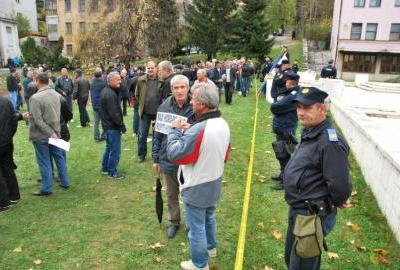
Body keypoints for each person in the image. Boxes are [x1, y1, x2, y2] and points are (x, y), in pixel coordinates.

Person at [283, 87, 352, 270]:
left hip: (312, 214)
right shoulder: (311, 131)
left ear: (323, 109)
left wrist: (339, 199)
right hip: (299, 210)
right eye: (298, 107)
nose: (300, 112)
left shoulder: (329, 141)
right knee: (292, 259)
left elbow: (340, 183)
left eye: (306, 107)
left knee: (303, 265)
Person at [167, 84, 231, 270]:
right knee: (209, 216)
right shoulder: (222, 123)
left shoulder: (200, 128)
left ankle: (199, 264)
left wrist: (175, 131)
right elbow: (225, 153)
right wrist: (192, 131)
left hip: (197, 184)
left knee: (196, 227)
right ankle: (211, 248)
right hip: (215, 179)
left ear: (202, 104)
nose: (191, 101)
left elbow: (175, 154)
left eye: (194, 99)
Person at [152, 75, 195, 239]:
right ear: (171, 90)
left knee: (190, 193)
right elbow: (158, 134)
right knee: (171, 194)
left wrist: (191, 128)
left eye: (182, 87)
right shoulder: (164, 106)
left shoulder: (195, 105)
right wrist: (156, 158)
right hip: (168, 157)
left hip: (189, 158)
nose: (179, 91)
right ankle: (174, 221)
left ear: (188, 87)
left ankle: (192, 223)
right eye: (175, 88)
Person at [29, 72, 71, 196]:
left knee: (44, 161)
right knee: (59, 157)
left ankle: (47, 188)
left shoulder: (35, 98)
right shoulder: (56, 94)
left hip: (43, 134)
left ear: (37, 81)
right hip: (55, 132)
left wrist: (50, 132)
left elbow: (38, 120)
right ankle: (65, 181)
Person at [270, 71, 300, 190]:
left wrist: (277, 103)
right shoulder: (292, 92)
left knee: (285, 155)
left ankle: (285, 181)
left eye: (286, 81)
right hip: (284, 127)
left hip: (286, 129)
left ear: (289, 83)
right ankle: (282, 174)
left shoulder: (293, 95)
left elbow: (275, 107)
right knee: (281, 153)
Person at [0, 92, 29, 212]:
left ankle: (3, 202)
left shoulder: (6, 101)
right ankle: (14, 196)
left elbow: (12, 119)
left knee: (6, 168)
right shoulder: (6, 101)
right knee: (7, 168)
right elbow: (13, 118)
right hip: (7, 142)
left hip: (5, 140)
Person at [99, 72, 126, 179]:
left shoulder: (108, 91)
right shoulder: (109, 94)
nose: (120, 81)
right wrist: (121, 126)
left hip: (107, 126)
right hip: (111, 127)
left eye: (120, 79)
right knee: (115, 150)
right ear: (110, 81)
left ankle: (105, 168)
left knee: (109, 147)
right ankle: (112, 172)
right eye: (117, 79)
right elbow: (114, 113)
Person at [135, 61, 161, 163]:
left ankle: (156, 155)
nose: (150, 70)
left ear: (156, 68)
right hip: (145, 113)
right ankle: (141, 155)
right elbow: (137, 95)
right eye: (148, 68)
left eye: (152, 68)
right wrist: (142, 104)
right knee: (142, 135)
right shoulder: (141, 80)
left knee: (157, 136)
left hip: (157, 113)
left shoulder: (161, 81)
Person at [129, 65, 146, 137]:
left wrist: (131, 99)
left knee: (136, 115)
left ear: (138, 70)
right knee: (143, 116)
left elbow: (130, 90)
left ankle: (136, 131)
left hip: (137, 100)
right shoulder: (147, 78)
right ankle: (140, 131)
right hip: (144, 100)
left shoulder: (134, 79)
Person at [91, 68, 107, 142]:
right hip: (102, 105)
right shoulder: (104, 82)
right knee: (104, 121)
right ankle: (103, 135)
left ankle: (96, 137)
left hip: (95, 105)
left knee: (96, 122)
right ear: (101, 74)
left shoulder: (92, 82)